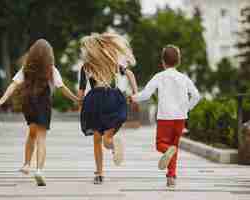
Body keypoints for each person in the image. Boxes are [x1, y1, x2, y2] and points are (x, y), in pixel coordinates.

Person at [0, 39, 79, 186]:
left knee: (32, 134)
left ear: (32, 54)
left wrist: (2, 99)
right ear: (49, 55)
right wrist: (75, 99)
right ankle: (39, 170)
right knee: (41, 138)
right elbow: (62, 87)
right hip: (43, 105)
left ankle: (26, 164)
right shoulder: (51, 69)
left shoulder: (26, 68)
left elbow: (13, 85)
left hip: (29, 105)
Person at [130, 45, 201, 187]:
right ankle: (171, 176)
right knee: (174, 146)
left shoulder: (159, 77)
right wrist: (186, 108)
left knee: (161, 145)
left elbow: (146, 94)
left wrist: (133, 98)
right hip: (180, 118)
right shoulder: (183, 78)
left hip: (165, 117)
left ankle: (169, 163)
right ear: (178, 61)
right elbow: (196, 96)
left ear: (163, 61)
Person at [79, 32, 136, 184]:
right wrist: (135, 93)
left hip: (95, 102)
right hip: (113, 99)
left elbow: (80, 93)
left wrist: (79, 102)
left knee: (97, 141)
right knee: (107, 139)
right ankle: (113, 145)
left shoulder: (86, 66)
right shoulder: (112, 62)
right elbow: (129, 74)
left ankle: (99, 173)